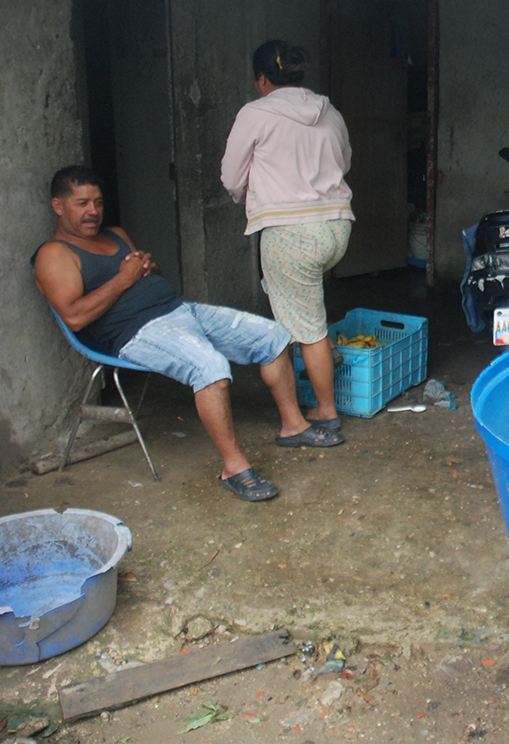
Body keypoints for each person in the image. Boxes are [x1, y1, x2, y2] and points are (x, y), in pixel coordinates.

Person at [33, 166, 344, 502]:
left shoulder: (116, 235)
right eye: (81, 203)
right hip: (136, 333)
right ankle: (234, 467)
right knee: (209, 369)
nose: (93, 211)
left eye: (97, 202)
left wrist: (148, 270)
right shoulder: (55, 254)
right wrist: (125, 278)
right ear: (58, 205)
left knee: (273, 335)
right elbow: (75, 317)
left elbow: (144, 280)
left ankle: (293, 425)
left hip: (181, 310)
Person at [220, 39, 353, 432]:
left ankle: (325, 410)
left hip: (290, 233)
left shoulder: (256, 114)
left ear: (262, 79)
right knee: (307, 311)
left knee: (308, 327)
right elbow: (343, 162)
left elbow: (231, 175)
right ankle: (325, 361)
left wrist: (246, 193)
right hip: (336, 226)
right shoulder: (330, 113)